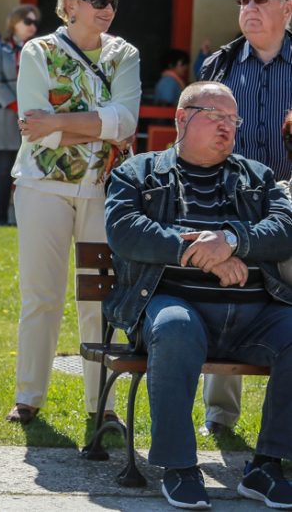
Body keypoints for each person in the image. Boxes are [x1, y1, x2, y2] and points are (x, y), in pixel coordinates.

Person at [104, 81, 292, 510]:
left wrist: (232, 240)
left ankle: (267, 466)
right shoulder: (138, 172)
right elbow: (126, 231)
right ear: (182, 118)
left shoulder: (258, 177)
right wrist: (200, 254)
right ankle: (178, 466)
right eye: (216, 116)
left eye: (233, 119)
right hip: (175, 306)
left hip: (254, 315)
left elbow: (286, 230)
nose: (228, 127)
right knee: (174, 328)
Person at [8, 0, 141, 425]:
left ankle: (100, 403)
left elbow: (126, 124)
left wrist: (60, 122)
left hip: (103, 188)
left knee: (100, 296)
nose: (108, 9)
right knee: (41, 294)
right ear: (70, 6)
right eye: (97, 0)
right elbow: (32, 129)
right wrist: (97, 128)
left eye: (112, 1)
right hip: (41, 186)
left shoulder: (124, 54)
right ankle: (29, 395)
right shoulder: (38, 51)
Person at [197, 0, 292, 438]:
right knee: (225, 291)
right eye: (244, 0)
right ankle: (220, 413)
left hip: (290, 201)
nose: (250, 7)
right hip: (228, 196)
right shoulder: (221, 63)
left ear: (287, 11)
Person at [0, 4, 41, 225]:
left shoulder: (40, 50)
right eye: (27, 21)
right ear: (14, 23)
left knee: (31, 171)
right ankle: (0, 219)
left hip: (34, 114)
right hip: (5, 112)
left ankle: (26, 220)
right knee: (3, 169)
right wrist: (17, 105)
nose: (32, 26)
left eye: (35, 23)